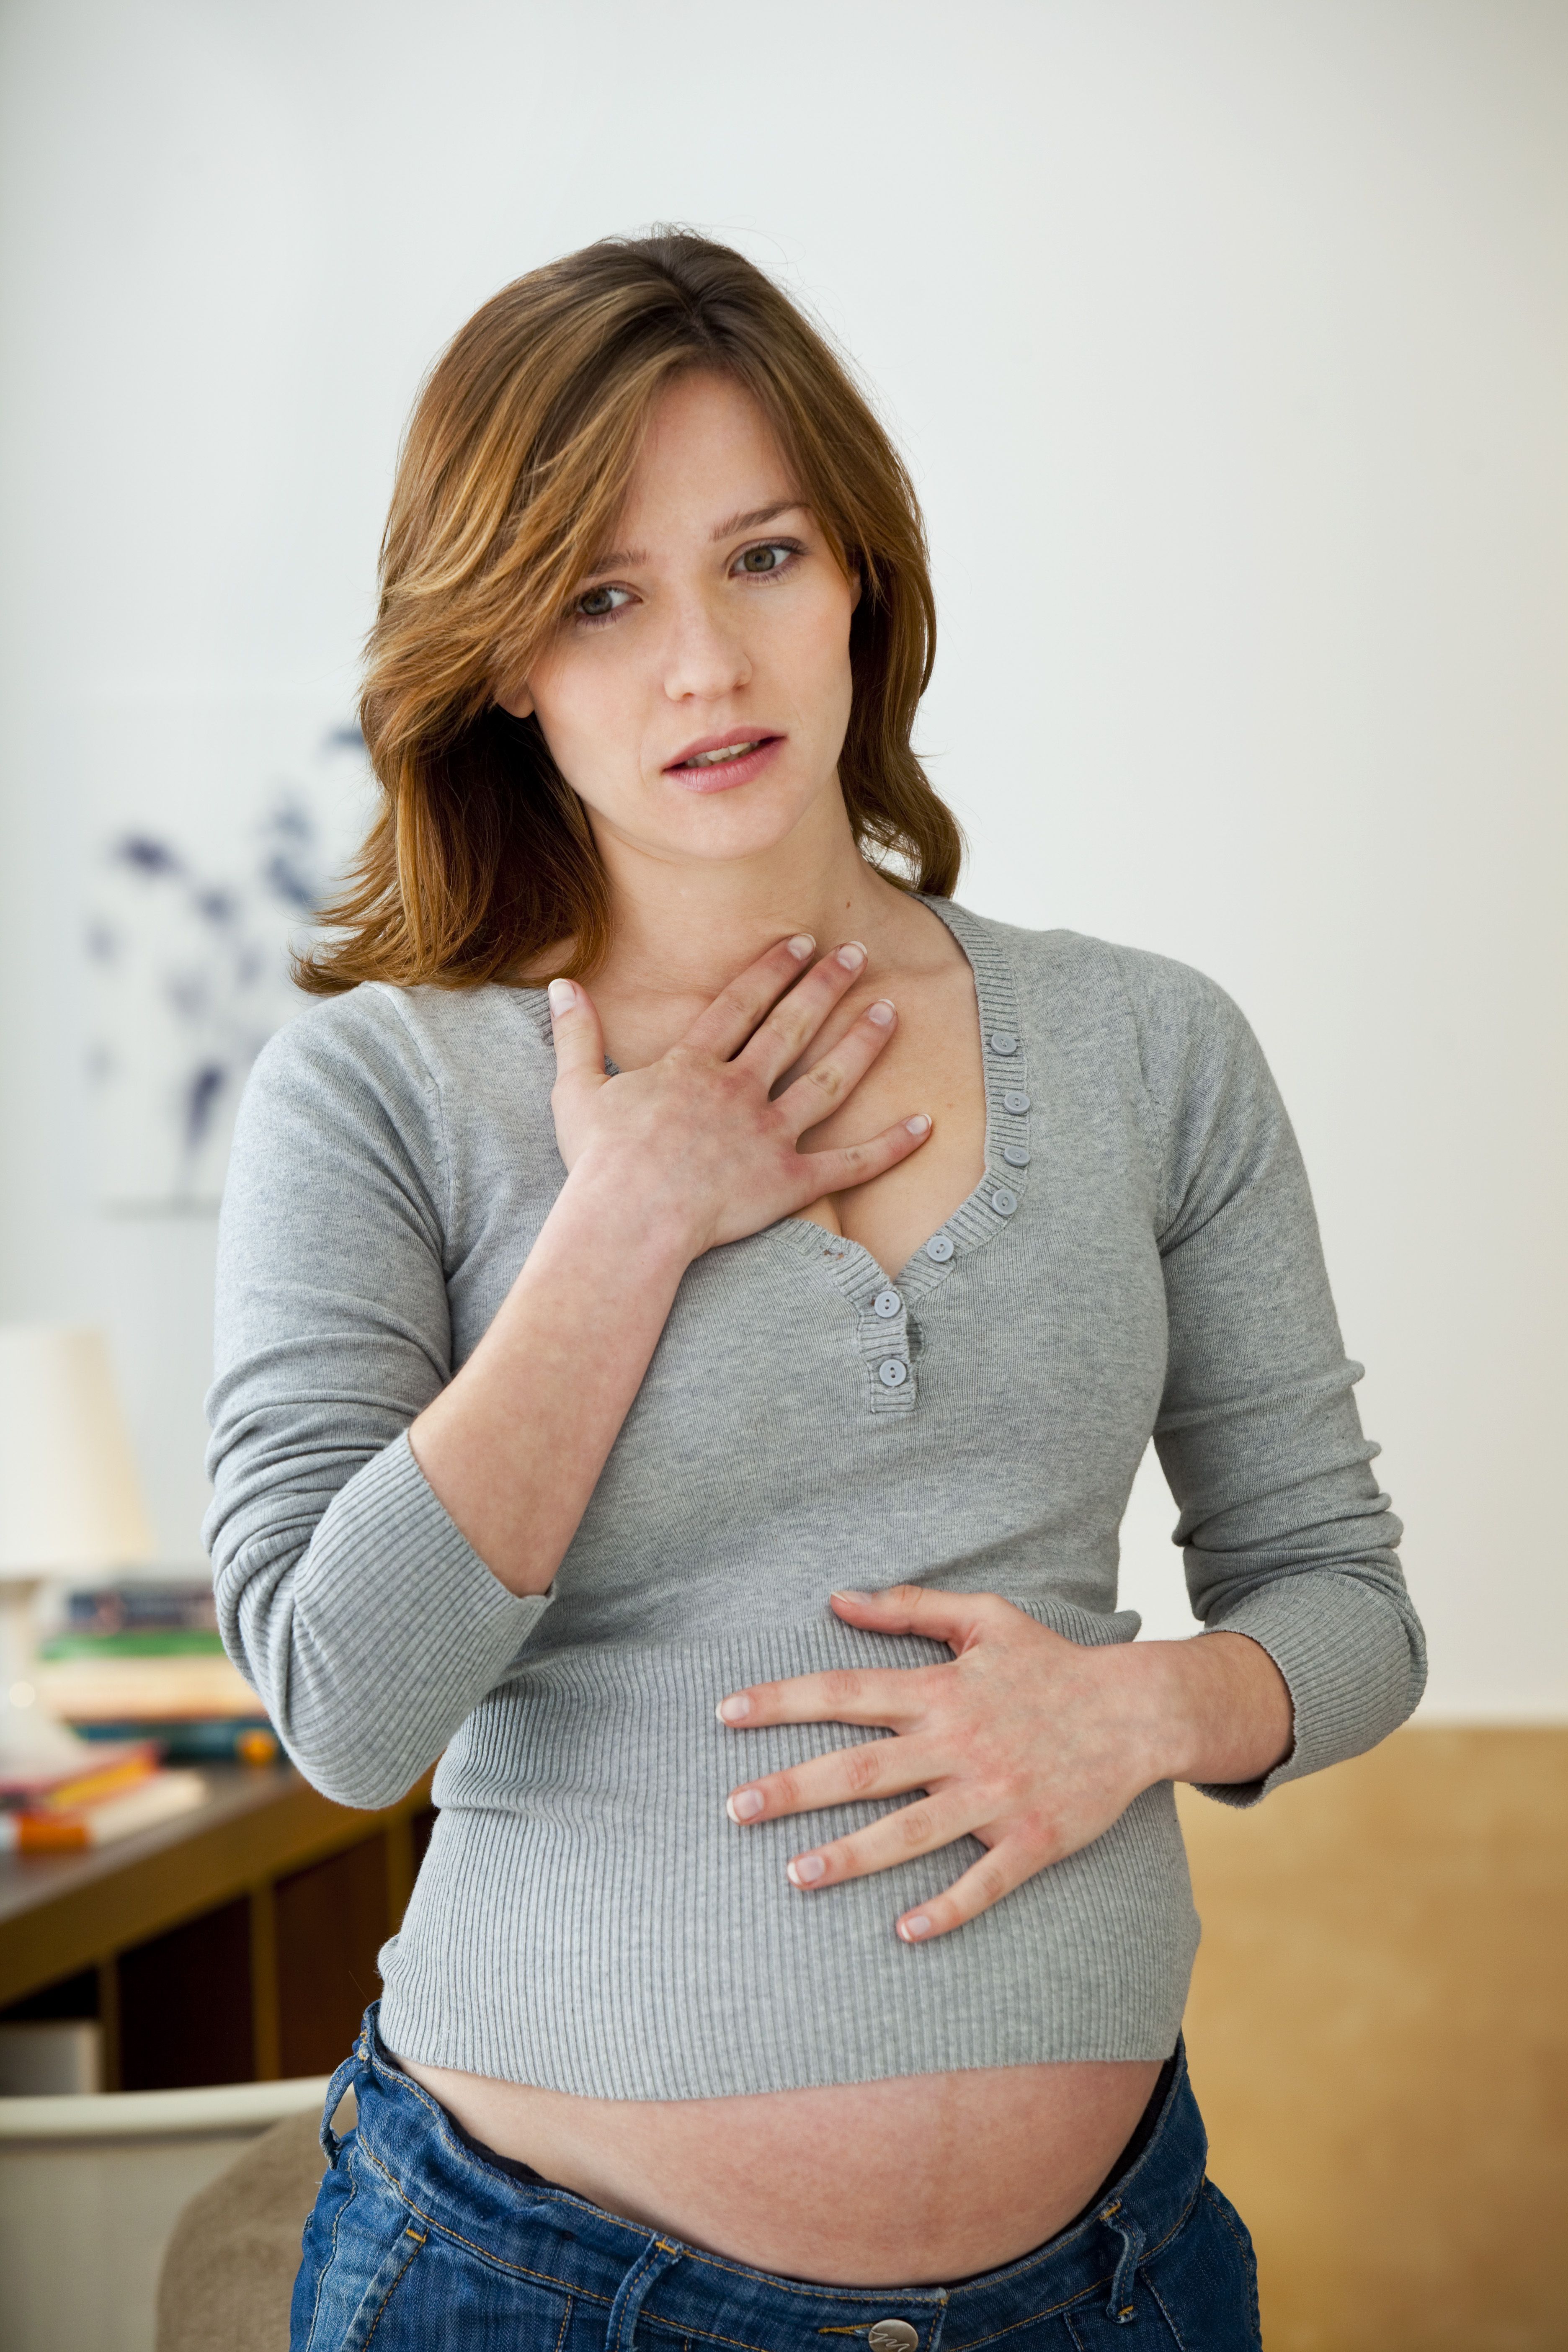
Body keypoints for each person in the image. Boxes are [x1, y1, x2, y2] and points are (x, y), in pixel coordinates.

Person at [203, 231, 1425, 2350]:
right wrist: (629, 1222)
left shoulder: (1152, 1050)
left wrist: (1136, 1713)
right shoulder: (381, 1089)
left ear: (861, 575)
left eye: (762, 556)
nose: (706, 662)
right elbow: (343, 1706)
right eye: (601, 594)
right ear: (501, 660)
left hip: (1114, 2283)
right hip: (528, 2284)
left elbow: (1345, 1603)